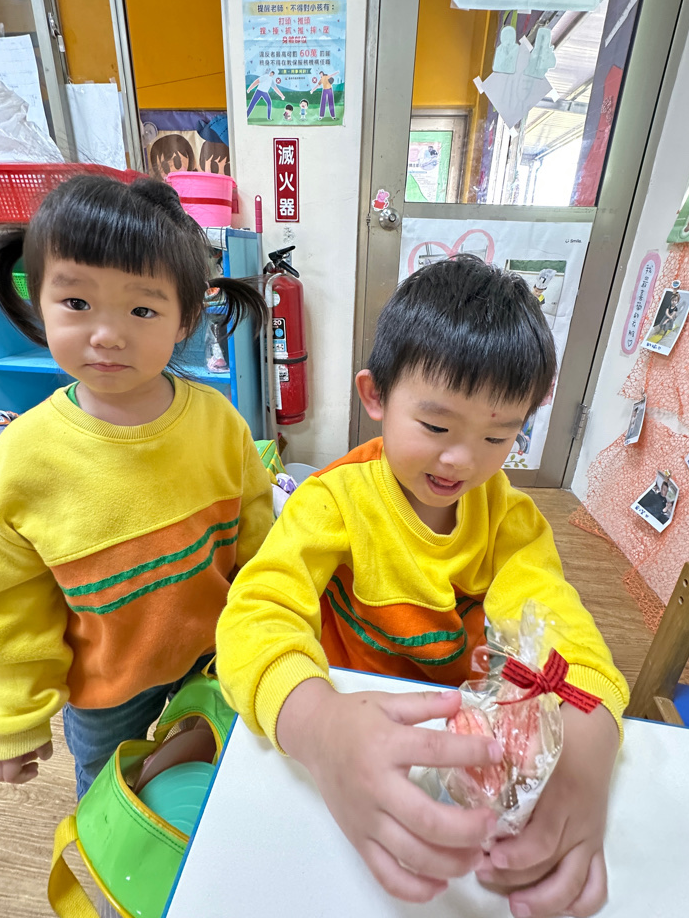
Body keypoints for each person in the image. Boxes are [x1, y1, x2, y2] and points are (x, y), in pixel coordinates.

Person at [217, 256, 629, 917]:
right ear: (375, 396)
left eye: (498, 435)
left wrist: (591, 728)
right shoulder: (334, 501)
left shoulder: (510, 520)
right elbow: (255, 615)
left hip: (458, 746)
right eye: (436, 426)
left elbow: (557, 620)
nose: (462, 458)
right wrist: (317, 725)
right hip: (349, 724)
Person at [0, 175, 273, 801]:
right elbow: (0, 603)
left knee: (209, 773)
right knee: (105, 794)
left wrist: (270, 624)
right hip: (103, 686)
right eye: (76, 302)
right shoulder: (25, 456)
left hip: (214, 653)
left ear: (185, 319)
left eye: (142, 310)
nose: (107, 335)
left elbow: (258, 539)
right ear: (38, 300)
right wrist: (17, 715)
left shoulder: (218, 422)